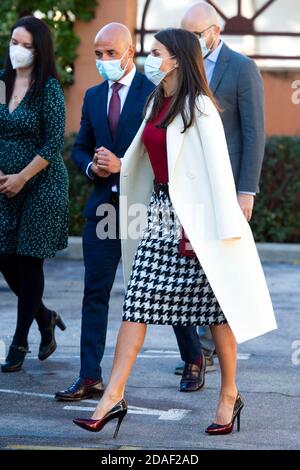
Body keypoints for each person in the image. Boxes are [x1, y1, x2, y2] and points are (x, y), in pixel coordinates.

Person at [73, 28, 276, 436]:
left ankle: (229, 394)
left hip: (196, 221)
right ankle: (112, 397)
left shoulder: (199, 107)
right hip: (158, 213)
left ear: (178, 59)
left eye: (155, 52)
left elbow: (218, 173)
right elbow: (140, 160)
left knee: (216, 310)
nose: (149, 58)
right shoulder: (156, 101)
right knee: (138, 301)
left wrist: (214, 233)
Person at [54, 23, 154, 402]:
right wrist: (90, 168)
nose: (104, 60)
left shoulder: (153, 93)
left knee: (155, 290)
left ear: (130, 52)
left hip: (141, 209)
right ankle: (89, 376)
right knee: (94, 292)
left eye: (111, 53)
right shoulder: (94, 97)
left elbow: (160, 153)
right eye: (98, 54)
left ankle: (194, 357)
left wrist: (122, 166)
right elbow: (80, 148)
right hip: (102, 209)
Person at [174, 1, 266, 375]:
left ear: (216, 32)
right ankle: (197, 348)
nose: (191, 42)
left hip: (226, 186)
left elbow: (254, 132)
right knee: (187, 265)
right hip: (186, 185)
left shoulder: (242, 69)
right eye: (186, 35)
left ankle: (209, 347)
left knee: (219, 266)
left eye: (196, 35)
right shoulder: (178, 67)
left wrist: (247, 191)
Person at [0, 16, 68, 373]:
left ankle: (20, 340)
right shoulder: (1, 82)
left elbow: (53, 141)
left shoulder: (48, 89)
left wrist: (22, 177)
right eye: (15, 42)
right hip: (3, 185)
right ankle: (45, 316)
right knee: (4, 256)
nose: (18, 50)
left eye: (27, 45)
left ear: (39, 50)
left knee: (30, 260)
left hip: (41, 184)